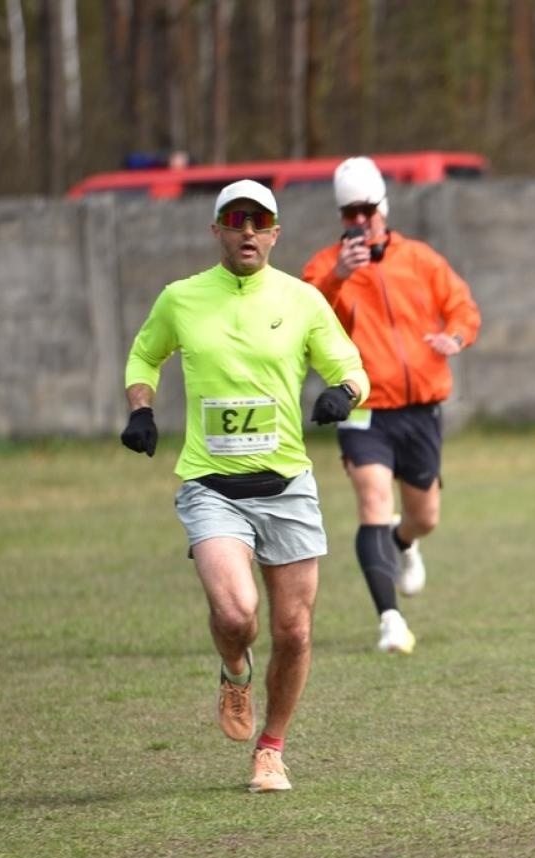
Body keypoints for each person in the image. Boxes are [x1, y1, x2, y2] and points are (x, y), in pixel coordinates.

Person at [120, 179, 369, 793]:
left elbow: (350, 364)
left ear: (276, 233)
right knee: (236, 614)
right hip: (211, 484)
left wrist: (342, 393)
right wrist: (141, 409)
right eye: (237, 221)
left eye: (261, 222)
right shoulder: (181, 298)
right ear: (218, 231)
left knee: (296, 630)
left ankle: (272, 750)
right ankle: (235, 672)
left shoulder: (304, 299)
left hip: (286, 484)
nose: (249, 232)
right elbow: (143, 356)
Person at [300, 156, 482, 654]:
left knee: (424, 516)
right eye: (348, 213)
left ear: (383, 207)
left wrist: (455, 335)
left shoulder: (420, 259)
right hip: (362, 407)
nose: (358, 221)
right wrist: (337, 276)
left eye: (365, 210)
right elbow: (302, 314)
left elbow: (463, 306)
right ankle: (390, 620)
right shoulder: (324, 268)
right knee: (374, 504)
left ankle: (405, 544)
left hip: (421, 409)